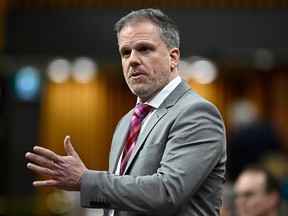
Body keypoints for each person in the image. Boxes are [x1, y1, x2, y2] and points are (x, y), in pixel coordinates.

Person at [25, 8, 226, 216]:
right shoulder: (126, 122)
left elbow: (167, 193)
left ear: (173, 57)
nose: (133, 60)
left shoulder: (197, 113)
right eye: (125, 52)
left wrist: (85, 180)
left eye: (144, 49)